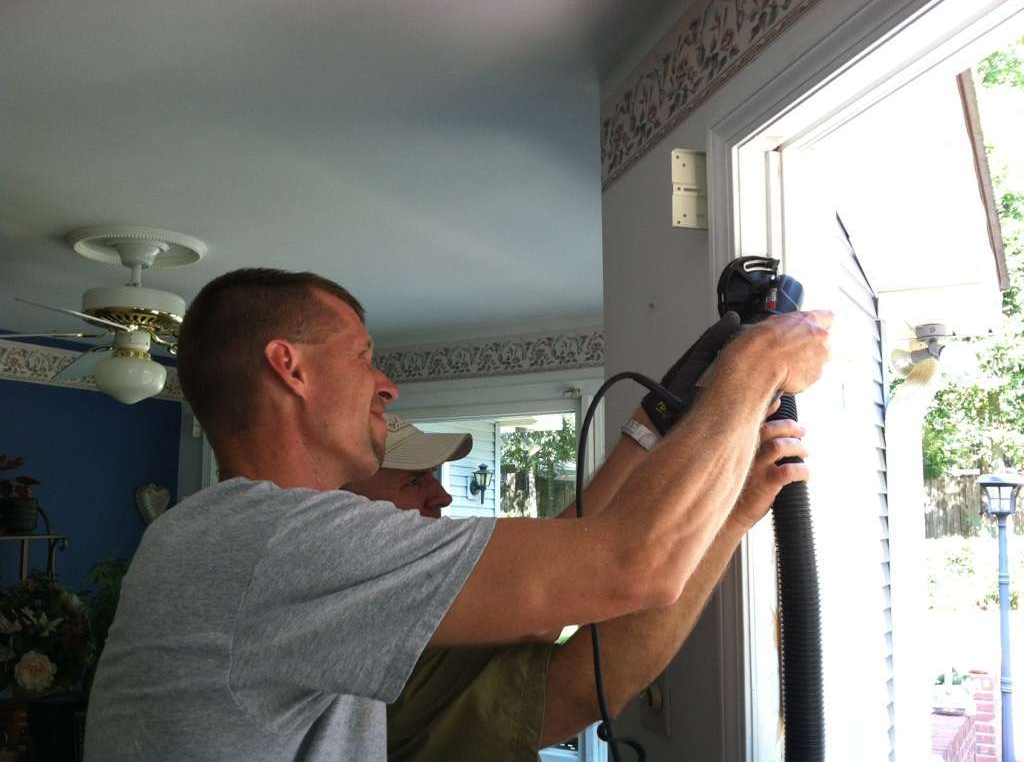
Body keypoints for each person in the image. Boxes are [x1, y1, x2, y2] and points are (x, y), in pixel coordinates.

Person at [84, 268, 830, 761]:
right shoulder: (271, 543)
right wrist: (756, 365)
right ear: (290, 366)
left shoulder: (234, 537)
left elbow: (569, 568)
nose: (386, 384)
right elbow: (632, 565)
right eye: (363, 355)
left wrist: (657, 426)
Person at [348, 410, 809, 760]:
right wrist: (733, 513)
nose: (443, 494)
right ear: (341, 508)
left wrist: (646, 426)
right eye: (414, 481)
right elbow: (577, 681)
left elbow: (566, 549)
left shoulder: (409, 583)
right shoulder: (373, 636)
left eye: (434, 475)